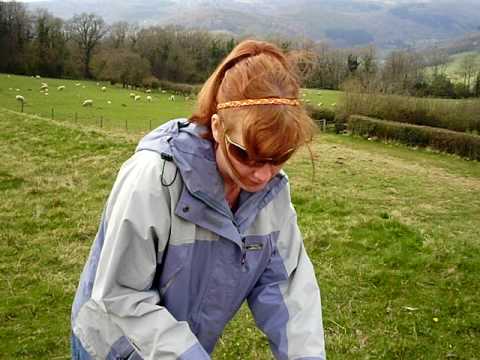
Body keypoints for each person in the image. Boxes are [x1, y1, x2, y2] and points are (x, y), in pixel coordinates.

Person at [71, 39, 326, 360]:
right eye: (245, 154)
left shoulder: (272, 194)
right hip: (112, 348)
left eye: (279, 157)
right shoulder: (152, 179)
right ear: (218, 128)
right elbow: (121, 296)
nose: (262, 175)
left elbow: (287, 289)